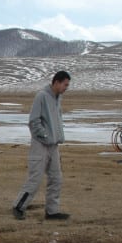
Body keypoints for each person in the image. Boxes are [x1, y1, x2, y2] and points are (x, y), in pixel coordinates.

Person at [12, 70, 71, 220]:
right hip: (40, 145)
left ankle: (52, 211)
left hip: (54, 146)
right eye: (65, 84)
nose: (66, 88)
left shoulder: (58, 98)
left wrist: (56, 137)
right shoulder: (42, 96)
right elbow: (33, 121)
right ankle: (19, 206)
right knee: (35, 178)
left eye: (67, 85)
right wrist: (44, 136)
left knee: (56, 178)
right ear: (56, 82)